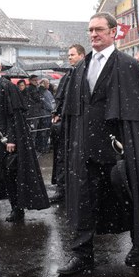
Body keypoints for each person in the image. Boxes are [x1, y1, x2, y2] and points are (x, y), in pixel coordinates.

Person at [57, 12, 139, 275]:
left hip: (121, 151)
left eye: (99, 29)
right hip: (86, 149)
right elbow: (75, 111)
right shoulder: (80, 68)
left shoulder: (128, 66)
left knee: (132, 197)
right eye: (90, 30)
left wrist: (132, 148)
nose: (93, 34)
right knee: (85, 200)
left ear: (113, 32)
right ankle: (82, 255)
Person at [0, 54, 49, 224]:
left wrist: (11, 139)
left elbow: (14, 117)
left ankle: (17, 209)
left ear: (0, 68)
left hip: (3, 142)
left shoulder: (7, 87)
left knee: (10, 177)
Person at [49, 44, 86, 204]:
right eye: (68, 55)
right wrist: (56, 113)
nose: (69, 57)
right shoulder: (68, 76)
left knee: (77, 158)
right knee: (62, 157)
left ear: (82, 55)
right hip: (65, 124)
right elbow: (59, 98)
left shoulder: (86, 74)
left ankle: (75, 190)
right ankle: (62, 188)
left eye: (72, 55)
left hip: (79, 123)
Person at [24, 74, 46, 150]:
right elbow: (37, 98)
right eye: (34, 80)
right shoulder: (31, 88)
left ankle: (34, 148)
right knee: (33, 132)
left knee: (36, 132)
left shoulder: (33, 88)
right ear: (30, 81)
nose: (36, 82)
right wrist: (41, 89)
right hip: (33, 114)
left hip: (35, 113)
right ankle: (31, 149)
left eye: (37, 80)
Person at [38, 78, 55, 153]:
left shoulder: (48, 92)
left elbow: (52, 101)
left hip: (48, 114)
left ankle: (45, 147)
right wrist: (52, 109)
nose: (48, 84)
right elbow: (46, 103)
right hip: (44, 114)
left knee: (47, 131)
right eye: (47, 83)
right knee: (43, 132)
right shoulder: (41, 92)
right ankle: (42, 148)